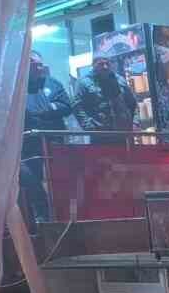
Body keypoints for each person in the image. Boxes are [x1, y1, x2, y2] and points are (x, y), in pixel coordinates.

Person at [22, 55, 74, 224]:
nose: (39, 68)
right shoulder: (17, 87)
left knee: (61, 179)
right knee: (33, 183)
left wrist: (48, 109)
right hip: (30, 145)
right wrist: (41, 111)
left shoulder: (52, 83)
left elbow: (67, 106)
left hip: (55, 141)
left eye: (39, 65)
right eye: (34, 65)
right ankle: (43, 219)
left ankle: (66, 215)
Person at [73, 58, 138, 133]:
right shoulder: (83, 82)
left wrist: (135, 123)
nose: (105, 67)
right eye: (101, 64)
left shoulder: (119, 79)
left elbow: (132, 103)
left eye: (107, 63)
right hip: (99, 132)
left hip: (122, 131)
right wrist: (89, 126)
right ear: (93, 65)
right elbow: (77, 107)